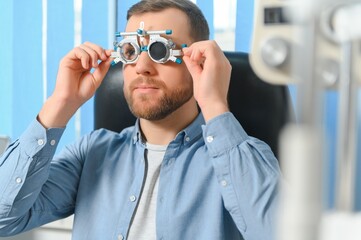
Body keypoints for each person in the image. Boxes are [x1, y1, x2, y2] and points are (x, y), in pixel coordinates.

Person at [0, 0, 281, 239]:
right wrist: (59, 104)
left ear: (201, 62)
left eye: (160, 51)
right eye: (131, 51)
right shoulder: (92, 153)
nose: (143, 67)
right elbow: (4, 218)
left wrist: (215, 104)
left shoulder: (240, 160)